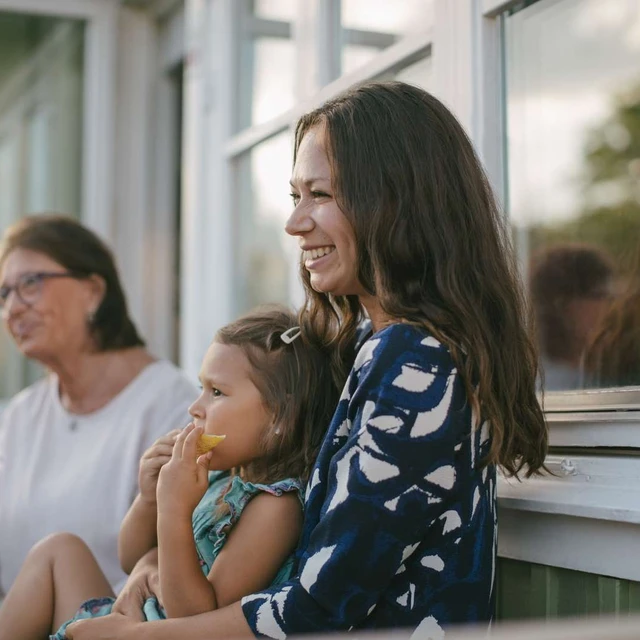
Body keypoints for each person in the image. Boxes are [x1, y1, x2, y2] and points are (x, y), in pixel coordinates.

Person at [64, 81, 548, 640]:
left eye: (320, 195)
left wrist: (135, 637)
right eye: (295, 197)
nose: (295, 224)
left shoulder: (419, 365)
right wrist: (157, 561)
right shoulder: (369, 347)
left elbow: (319, 609)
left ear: (395, 201)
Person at [0, 305, 341, 640]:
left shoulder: (275, 508)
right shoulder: (222, 477)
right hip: (130, 616)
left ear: (280, 417)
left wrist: (174, 509)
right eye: (201, 389)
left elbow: (194, 617)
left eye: (217, 393)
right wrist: (149, 499)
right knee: (58, 549)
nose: (195, 408)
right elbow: (128, 557)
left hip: (157, 633)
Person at [0, 215, 197, 598]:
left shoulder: (171, 406)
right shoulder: (20, 417)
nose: (13, 309)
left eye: (29, 284)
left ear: (92, 290)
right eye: (4, 294)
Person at [528, 243, 615, 390]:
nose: (610, 304)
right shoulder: (547, 386)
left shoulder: (610, 374)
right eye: (599, 295)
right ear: (562, 305)